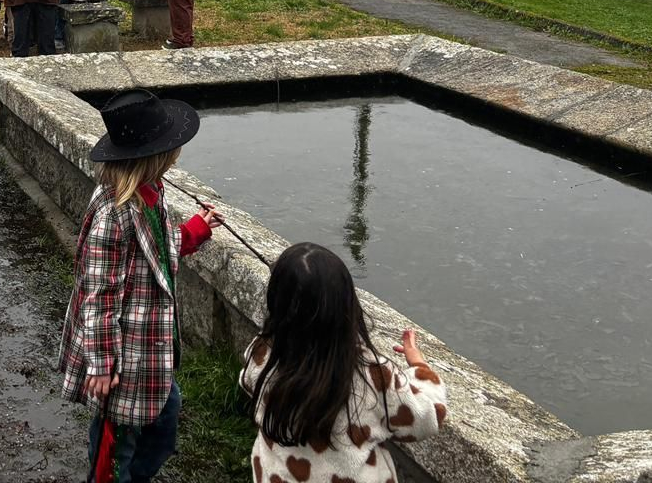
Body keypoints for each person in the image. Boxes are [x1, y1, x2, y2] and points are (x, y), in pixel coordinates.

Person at [59, 89, 222, 483]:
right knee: (116, 448)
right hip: (121, 360)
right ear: (158, 157)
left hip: (150, 353)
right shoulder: (114, 216)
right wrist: (101, 365)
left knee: (163, 427)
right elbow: (98, 296)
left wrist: (197, 230)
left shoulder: (151, 194)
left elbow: (159, 248)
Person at [242, 243, 448, 483]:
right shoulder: (372, 375)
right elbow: (427, 417)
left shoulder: (263, 353)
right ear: (347, 305)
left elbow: (247, 381)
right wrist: (420, 368)